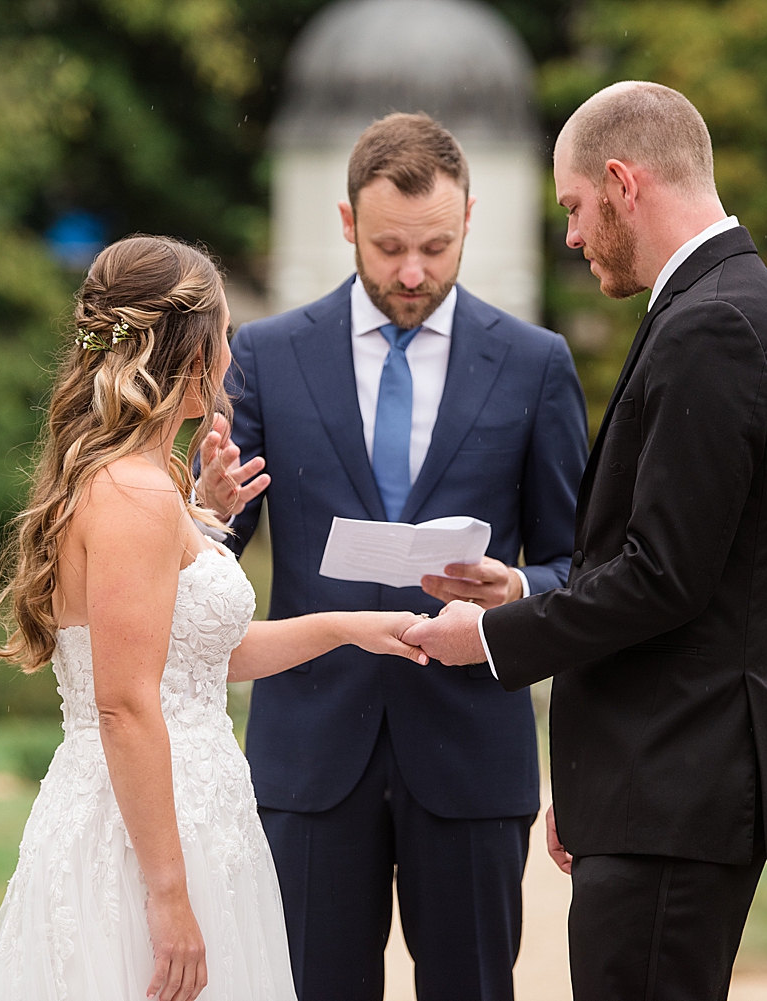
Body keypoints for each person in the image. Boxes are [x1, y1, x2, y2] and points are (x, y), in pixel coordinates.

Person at [405, 82, 767, 1000]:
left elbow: (664, 577)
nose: (572, 235)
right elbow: (671, 559)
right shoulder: (719, 305)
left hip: (676, 795)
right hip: (655, 789)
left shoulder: (715, 323)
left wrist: (485, 640)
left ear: (623, 182)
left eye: (576, 207)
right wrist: (522, 597)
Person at [194, 113, 589, 1001]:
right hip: (309, 755)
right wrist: (204, 510)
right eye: (388, 247)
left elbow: (582, 567)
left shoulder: (537, 366)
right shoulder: (263, 355)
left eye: (436, 247)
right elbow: (205, 559)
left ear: (470, 221)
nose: (413, 273)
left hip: (473, 753)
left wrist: (517, 588)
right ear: (346, 224)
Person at [0, 235, 429, 1001]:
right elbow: (124, 704)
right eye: (222, 333)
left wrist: (350, 625)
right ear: (189, 349)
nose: (231, 353)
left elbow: (195, 657)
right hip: (142, 834)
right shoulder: (135, 494)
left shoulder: (151, 483)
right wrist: (167, 892)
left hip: (192, 815)